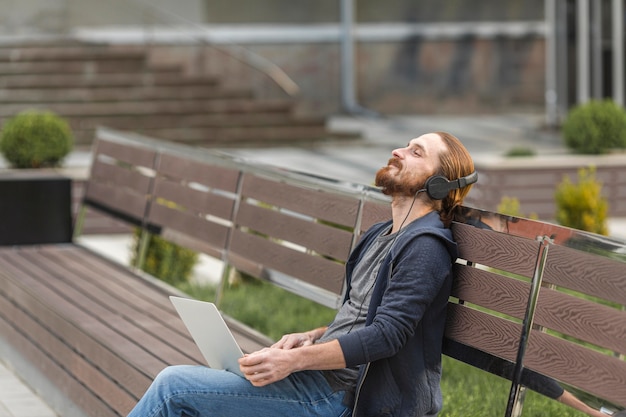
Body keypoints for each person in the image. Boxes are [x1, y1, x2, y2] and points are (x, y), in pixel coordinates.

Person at [127, 131, 476, 417]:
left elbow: (388, 334)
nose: (398, 151)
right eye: (405, 144)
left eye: (416, 152)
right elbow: (362, 317)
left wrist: (292, 361)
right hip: (319, 380)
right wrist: (313, 336)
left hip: (344, 399)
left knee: (173, 387)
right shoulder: (381, 234)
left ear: (440, 186)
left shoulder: (426, 248)